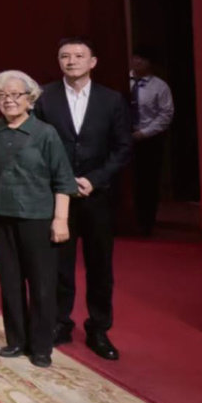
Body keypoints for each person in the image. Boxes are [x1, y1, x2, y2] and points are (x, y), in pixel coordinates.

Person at [33, 38, 131, 360]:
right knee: (58, 263)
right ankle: (59, 323)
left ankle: (99, 328)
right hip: (57, 195)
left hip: (97, 195)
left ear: (93, 62)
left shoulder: (111, 100)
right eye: (65, 56)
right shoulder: (44, 97)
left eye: (78, 56)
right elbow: (37, 145)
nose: (71, 61)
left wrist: (94, 179)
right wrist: (62, 181)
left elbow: (122, 148)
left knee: (99, 264)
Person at [0, 70, 75, 368]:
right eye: (2, 95)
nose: (9, 100)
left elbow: (63, 179)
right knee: (10, 282)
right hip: (1, 217)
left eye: (16, 95)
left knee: (42, 284)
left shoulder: (45, 133)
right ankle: (16, 340)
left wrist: (61, 219)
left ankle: (41, 346)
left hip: (38, 218)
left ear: (30, 99)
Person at [129, 52, 174, 234]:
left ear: (150, 63)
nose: (137, 61)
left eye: (142, 58)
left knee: (147, 182)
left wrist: (143, 133)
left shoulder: (159, 86)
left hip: (148, 140)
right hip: (122, 139)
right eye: (135, 57)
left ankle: (146, 222)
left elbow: (165, 115)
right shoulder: (123, 81)